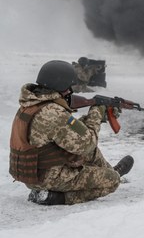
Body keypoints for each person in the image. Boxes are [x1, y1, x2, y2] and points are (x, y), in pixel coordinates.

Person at [9, 60, 134, 205]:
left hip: (32, 173)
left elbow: (69, 132)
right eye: (67, 87)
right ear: (59, 85)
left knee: (91, 154)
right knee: (112, 181)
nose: (70, 91)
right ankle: (54, 197)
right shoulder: (53, 113)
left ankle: (108, 171)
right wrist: (96, 113)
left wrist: (95, 116)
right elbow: (87, 144)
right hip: (48, 178)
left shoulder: (32, 104)